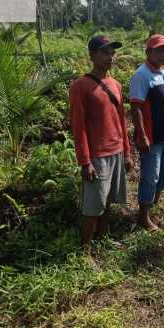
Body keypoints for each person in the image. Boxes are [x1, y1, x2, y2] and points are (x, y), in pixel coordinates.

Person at [69, 35, 133, 254]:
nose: (110, 57)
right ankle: (85, 250)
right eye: (105, 52)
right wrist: (85, 161)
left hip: (116, 150)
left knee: (107, 201)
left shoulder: (115, 84)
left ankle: (102, 238)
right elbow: (79, 127)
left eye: (112, 52)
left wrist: (127, 152)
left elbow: (122, 120)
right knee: (93, 206)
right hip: (97, 155)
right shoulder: (81, 86)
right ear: (92, 56)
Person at [129, 34, 164, 232]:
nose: (163, 54)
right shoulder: (141, 75)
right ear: (148, 52)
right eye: (159, 50)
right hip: (151, 136)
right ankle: (143, 216)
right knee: (150, 176)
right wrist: (142, 134)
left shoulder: (162, 73)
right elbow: (136, 107)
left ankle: (153, 204)